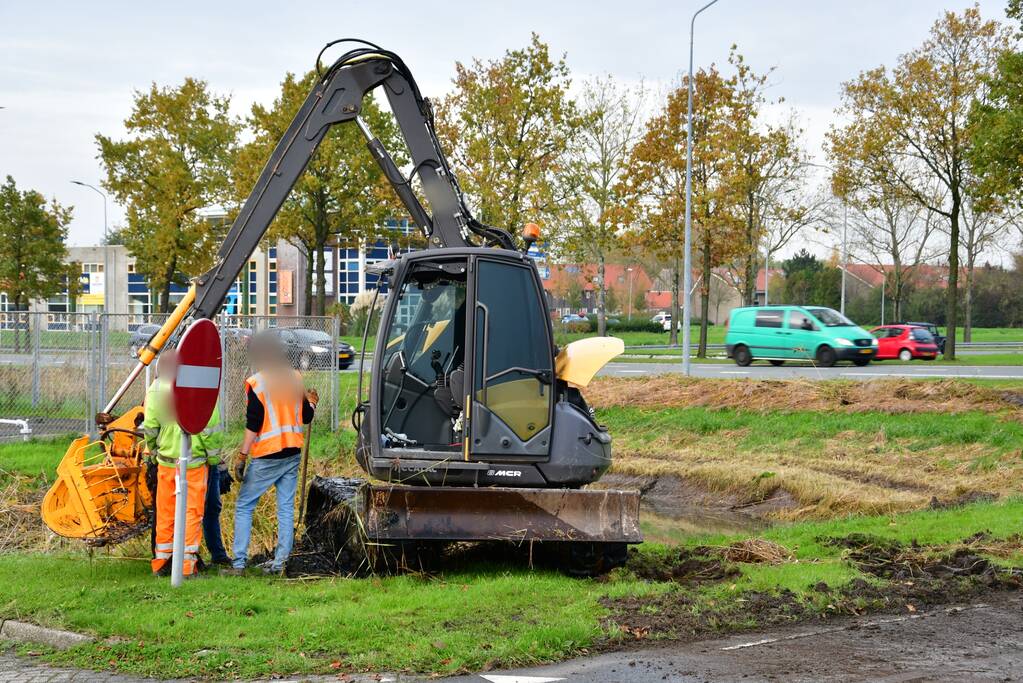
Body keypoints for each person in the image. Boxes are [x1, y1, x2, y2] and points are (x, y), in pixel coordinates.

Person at [223, 332, 316, 576]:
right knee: (285, 507)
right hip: (292, 452)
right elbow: (306, 417)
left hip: (268, 456)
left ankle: (239, 564)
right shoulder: (295, 378)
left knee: (244, 505)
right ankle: (280, 563)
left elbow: (253, 424)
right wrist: (313, 403)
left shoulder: (258, 383)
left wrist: (242, 455)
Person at [142, 349, 222, 578]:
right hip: (194, 463)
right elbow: (210, 427)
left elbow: (150, 428)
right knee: (191, 513)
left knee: (166, 513)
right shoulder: (198, 386)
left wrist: (156, 452)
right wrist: (213, 458)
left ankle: (161, 563)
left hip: (166, 462)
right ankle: (187, 566)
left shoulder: (156, 388)